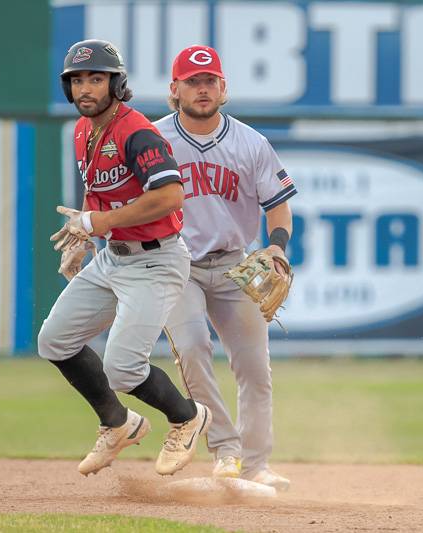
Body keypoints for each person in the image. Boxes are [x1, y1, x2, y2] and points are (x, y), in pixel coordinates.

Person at [38, 39, 211, 477]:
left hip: (156, 260)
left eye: (96, 78)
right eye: (77, 80)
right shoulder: (84, 130)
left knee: (122, 367)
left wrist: (97, 222)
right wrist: (84, 233)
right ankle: (117, 423)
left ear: (116, 82)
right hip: (112, 259)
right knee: (54, 340)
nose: (86, 88)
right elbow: (98, 194)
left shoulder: (137, 132)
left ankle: (187, 417)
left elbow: (171, 195)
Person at [153, 45, 296, 490]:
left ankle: (255, 465)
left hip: (235, 265)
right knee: (193, 347)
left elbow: (278, 207)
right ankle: (227, 450)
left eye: (209, 80)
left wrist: (277, 248)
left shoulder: (251, 143)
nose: (202, 89)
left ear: (223, 87)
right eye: (192, 82)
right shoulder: (152, 140)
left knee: (255, 368)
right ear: (174, 89)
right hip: (177, 264)